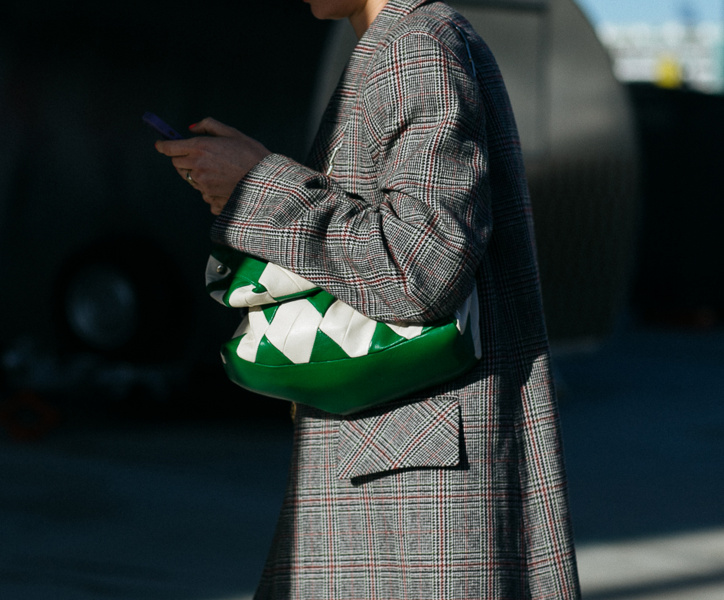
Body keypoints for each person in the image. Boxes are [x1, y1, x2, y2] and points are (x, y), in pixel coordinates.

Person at [156, 0, 581, 598]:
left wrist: (258, 186)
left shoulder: (416, 46)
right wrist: (252, 180)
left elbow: (420, 266)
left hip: (414, 481)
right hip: (398, 455)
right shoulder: (395, 45)